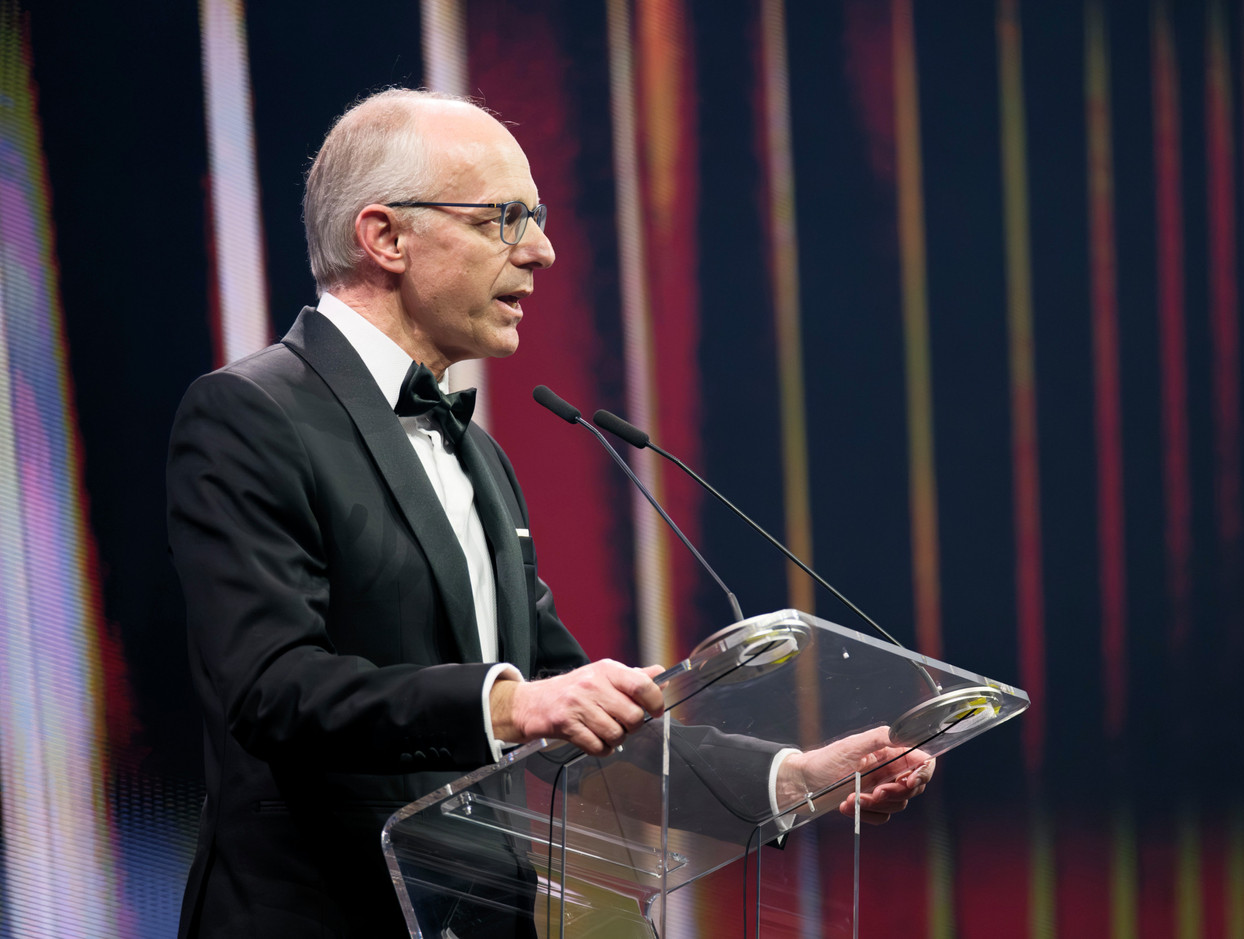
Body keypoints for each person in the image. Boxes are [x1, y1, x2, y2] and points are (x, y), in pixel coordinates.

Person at [168, 88, 931, 938]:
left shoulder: (479, 454)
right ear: (385, 237)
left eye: (536, 217)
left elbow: (580, 720)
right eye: (505, 217)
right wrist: (506, 704)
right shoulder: (247, 413)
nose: (544, 250)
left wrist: (792, 778)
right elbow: (270, 688)